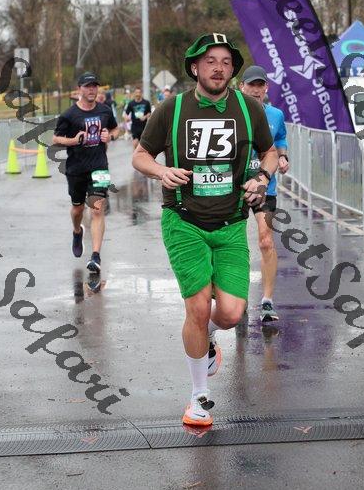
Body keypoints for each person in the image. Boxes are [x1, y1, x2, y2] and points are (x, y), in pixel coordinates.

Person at [133, 33, 278, 426]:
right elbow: (140, 155)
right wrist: (161, 171)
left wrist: (262, 177)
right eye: (210, 61)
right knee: (197, 308)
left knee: (230, 313)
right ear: (195, 67)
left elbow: (269, 151)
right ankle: (199, 397)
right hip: (184, 221)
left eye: (226, 62)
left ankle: (209, 335)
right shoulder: (173, 108)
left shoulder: (248, 108)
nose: (219, 68)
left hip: (231, 224)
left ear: (233, 70)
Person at [53, 72, 120, 273]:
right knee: (78, 209)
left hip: (99, 166)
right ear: (79, 89)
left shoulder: (105, 110)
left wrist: (110, 136)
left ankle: (96, 256)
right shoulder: (69, 115)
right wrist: (73, 140)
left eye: (94, 86)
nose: (92, 89)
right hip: (76, 169)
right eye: (87, 86)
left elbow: (116, 129)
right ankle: (77, 231)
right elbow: (56, 139)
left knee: (97, 209)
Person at [239, 65, 289, 322]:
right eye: (251, 85)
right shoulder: (232, 114)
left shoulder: (276, 115)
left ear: (266, 88)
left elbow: (280, 140)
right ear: (242, 87)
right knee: (233, 245)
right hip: (234, 188)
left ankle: (267, 301)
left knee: (266, 240)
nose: (256, 90)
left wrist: (283, 157)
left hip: (264, 186)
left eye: (260, 85)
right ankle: (237, 298)